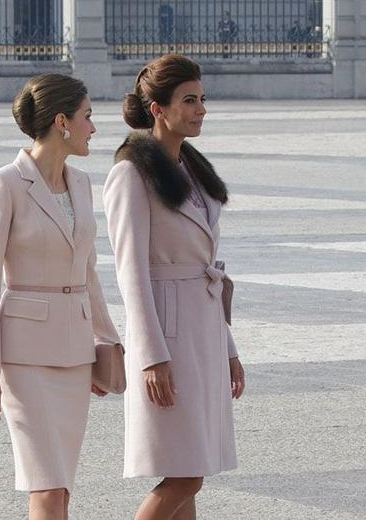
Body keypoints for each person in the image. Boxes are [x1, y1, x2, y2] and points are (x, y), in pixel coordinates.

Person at [0, 74, 120, 519]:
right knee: (48, 487)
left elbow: (89, 274)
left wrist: (107, 345)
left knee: (63, 489)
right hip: (25, 358)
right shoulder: (3, 184)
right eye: (88, 116)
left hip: (75, 357)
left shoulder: (83, 185)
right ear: (62, 122)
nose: (94, 127)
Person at [104, 54, 244, 520]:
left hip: (203, 333)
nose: (201, 109)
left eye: (202, 99)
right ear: (157, 109)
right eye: (188, 100)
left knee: (192, 470)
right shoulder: (131, 174)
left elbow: (208, 269)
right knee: (186, 474)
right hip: (169, 337)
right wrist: (151, 356)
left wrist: (228, 348)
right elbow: (130, 273)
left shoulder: (195, 173)